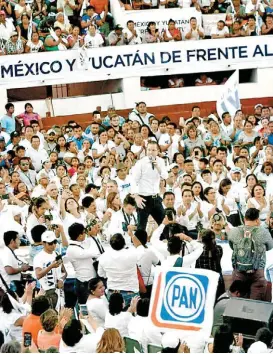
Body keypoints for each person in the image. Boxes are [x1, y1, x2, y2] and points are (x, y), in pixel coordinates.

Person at [228, 208, 273, 300]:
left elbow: (231, 246)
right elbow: (270, 246)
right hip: (257, 271)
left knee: (238, 301)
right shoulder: (263, 232)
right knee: (254, 305)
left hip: (238, 271)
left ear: (245, 219)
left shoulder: (234, 231)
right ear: (257, 220)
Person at [98, 233, 144, 308]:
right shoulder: (131, 254)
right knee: (133, 318)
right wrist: (133, 236)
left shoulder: (103, 257)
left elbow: (101, 274)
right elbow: (141, 250)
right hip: (131, 291)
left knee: (115, 317)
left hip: (113, 291)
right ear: (124, 243)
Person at [131, 141, 168, 230]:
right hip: (143, 198)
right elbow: (133, 180)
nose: (151, 152)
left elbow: (165, 176)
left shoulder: (161, 161)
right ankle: (139, 243)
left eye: (153, 150)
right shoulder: (140, 163)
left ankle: (166, 242)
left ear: (157, 151)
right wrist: (136, 196)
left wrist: (158, 167)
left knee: (165, 224)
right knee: (141, 227)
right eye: (149, 150)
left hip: (156, 198)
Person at [65, 222, 98, 304]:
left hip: (90, 281)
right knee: (86, 309)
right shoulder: (72, 249)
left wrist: (92, 235)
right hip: (84, 283)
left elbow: (91, 243)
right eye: (84, 233)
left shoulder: (81, 243)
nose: (86, 234)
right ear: (80, 236)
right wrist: (92, 236)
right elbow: (95, 253)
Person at [33, 231, 67, 308]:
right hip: (46, 292)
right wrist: (50, 267)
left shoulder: (57, 254)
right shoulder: (38, 257)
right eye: (50, 243)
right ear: (43, 243)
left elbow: (64, 272)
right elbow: (38, 275)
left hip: (59, 291)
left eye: (55, 242)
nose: (53, 245)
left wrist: (61, 280)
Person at [2, 231, 30, 296]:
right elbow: (9, 270)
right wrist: (22, 268)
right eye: (18, 239)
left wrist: (22, 275)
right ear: (12, 241)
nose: (20, 241)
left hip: (14, 284)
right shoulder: (7, 253)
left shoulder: (9, 251)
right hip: (11, 286)